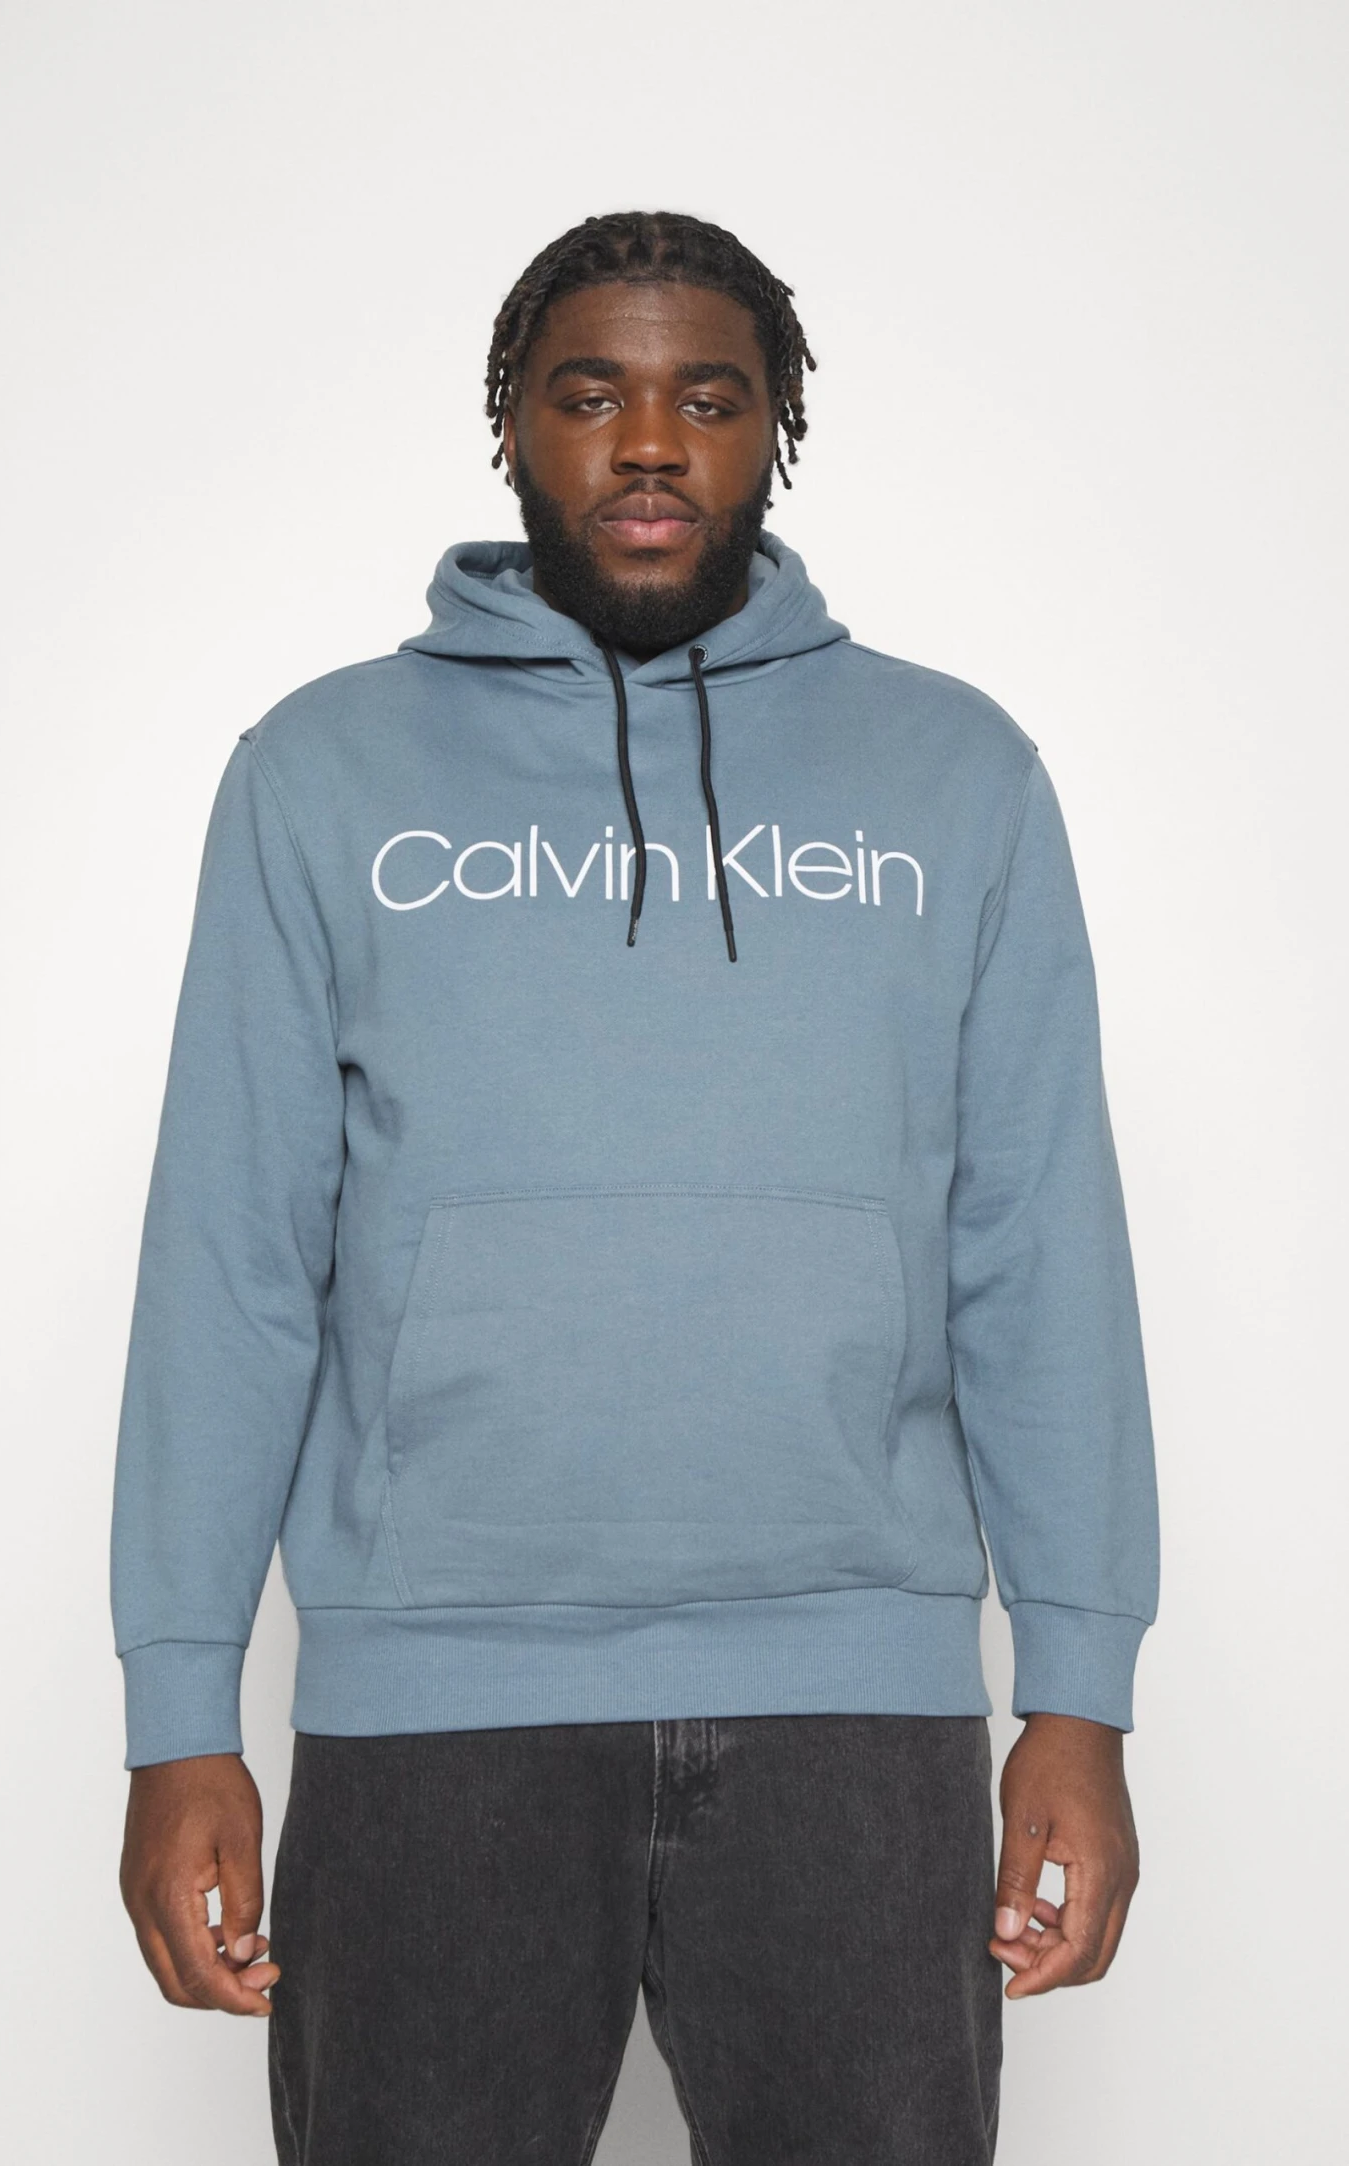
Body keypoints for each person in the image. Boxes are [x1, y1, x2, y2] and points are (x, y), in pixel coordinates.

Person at [112, 209, 1159, 2164]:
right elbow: (232, 1265)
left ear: (779, 432)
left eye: (711, 398)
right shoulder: (321, 774)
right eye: (592, 395)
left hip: (859, 1710)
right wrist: (181, 1718)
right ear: (512, 423)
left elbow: (1038, 1253)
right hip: (433, 1714)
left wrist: (1080, 1696)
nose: (653, 443)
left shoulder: (956, 775)